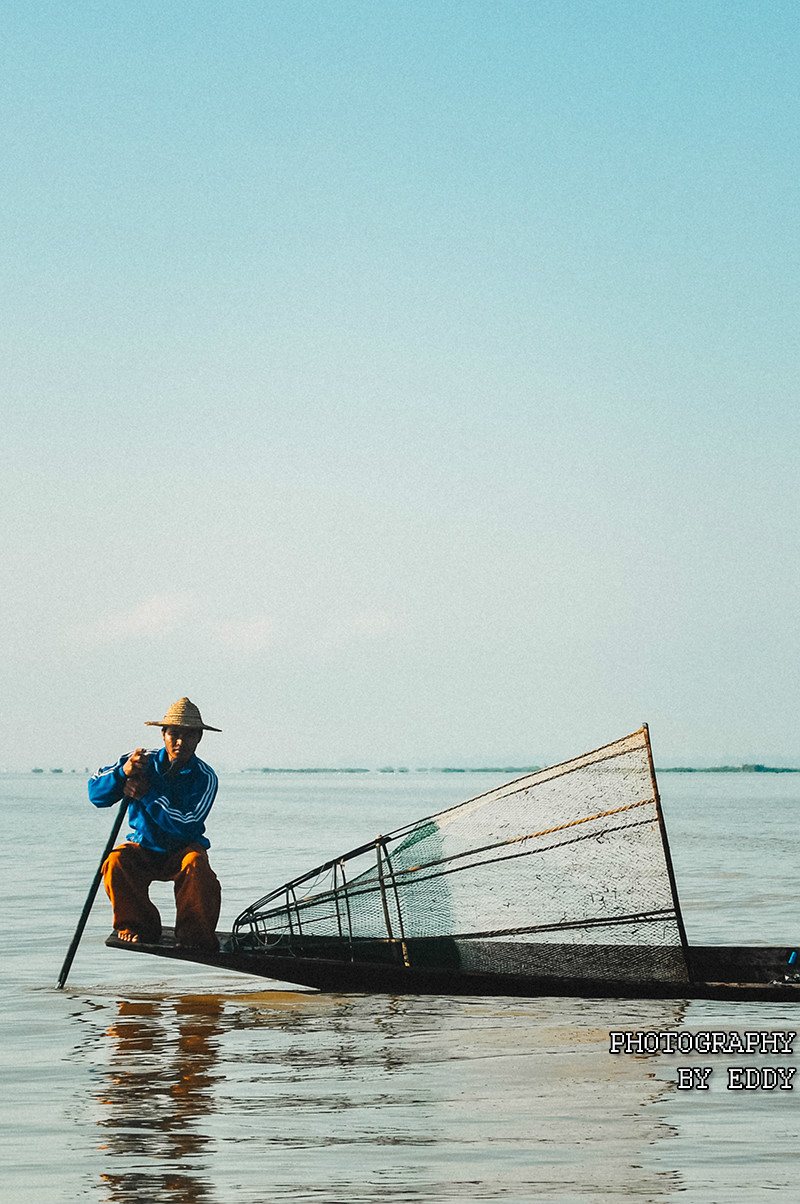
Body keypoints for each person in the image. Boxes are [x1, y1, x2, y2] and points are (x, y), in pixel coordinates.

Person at [88, 697, 222, 950]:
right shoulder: (139, 761)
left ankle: (194, 935)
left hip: (183, 848)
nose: (180, 741)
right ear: (163, 734)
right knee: (116, 861)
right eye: (174, 734)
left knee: (196, 865)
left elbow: (187, 824)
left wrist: (148, 795)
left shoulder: (205, 777)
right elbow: (96, 795)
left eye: (189, 735)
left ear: (199, 739)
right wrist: (121, 775)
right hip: (144, 846)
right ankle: (137, 925)